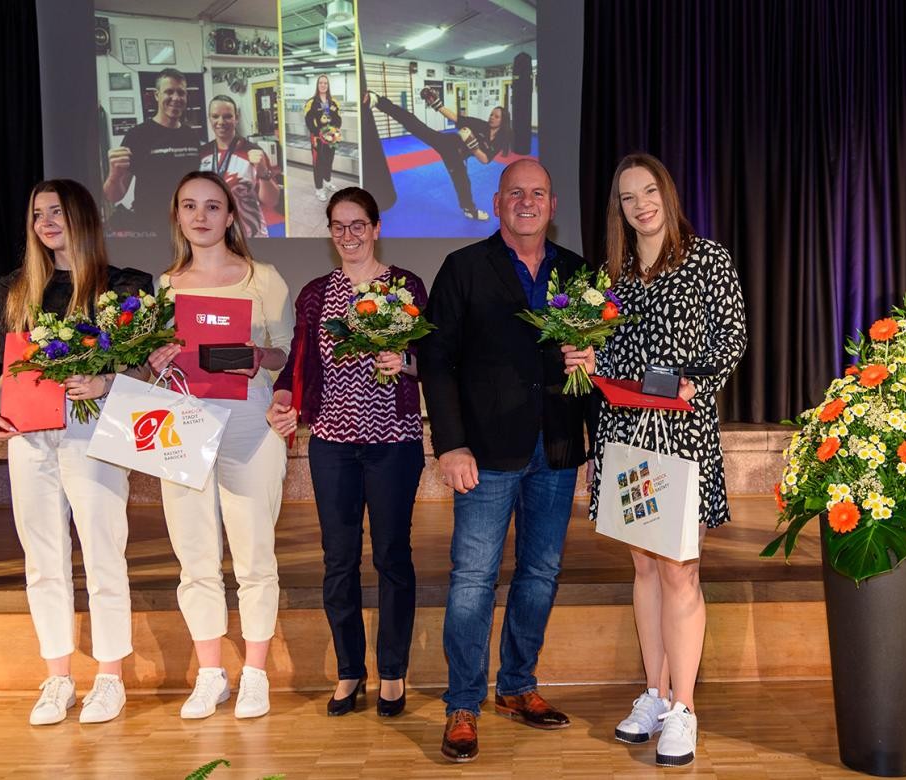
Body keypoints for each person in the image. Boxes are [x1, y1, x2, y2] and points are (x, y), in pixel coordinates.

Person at [418, 159, 591, 763]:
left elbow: (591, 362)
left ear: (551, 203)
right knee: (472, 580)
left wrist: (589, 431)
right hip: (485, 453)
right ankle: (463, 703)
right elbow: (437, 363)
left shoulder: (577, 270)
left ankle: (517, 687)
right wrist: (450, 444)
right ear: (497, 204)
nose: (526, 201)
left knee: (540, 574)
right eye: (515, 192)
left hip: (560, 447)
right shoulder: (463, 268)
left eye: (537, 192)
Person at [588, 153, 747, 767]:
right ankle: (653, 694)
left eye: (648, 191)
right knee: (645, 571)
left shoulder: (708, 259)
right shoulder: (614, 276)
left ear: (667, 194)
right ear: (619, 210)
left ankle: (683, 708)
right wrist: (585, 359)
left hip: (678, 434)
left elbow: (730, 342)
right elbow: (606, 354)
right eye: (627, 197)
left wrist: (687, 381)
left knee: (680, 571)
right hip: (624, 435)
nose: (640, 205)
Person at [0, 179, 153, 725]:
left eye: (57, 212)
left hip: (94, 433)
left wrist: (105, 382)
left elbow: (147, 367)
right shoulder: (14, 289)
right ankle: (56, 679)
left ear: (83, 217)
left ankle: (109, 678)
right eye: (37, 214)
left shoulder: (124, 286)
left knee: (103, 554)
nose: (46, 222)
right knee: (42, 560)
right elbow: (10, 370)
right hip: (30, 436)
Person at [267, 187, 426, 717]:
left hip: (394, 442)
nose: (349, 236)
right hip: (331, 443)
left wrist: (400, 360)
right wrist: (283, 397)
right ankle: (350, 670)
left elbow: (429, 358)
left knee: (391, 557)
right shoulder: (315, 293)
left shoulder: (406, 286)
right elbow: (298, 360)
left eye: (358, 225)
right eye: (339, 226)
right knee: (338, 561)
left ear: (377, 228)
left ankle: (393, 671)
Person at [146, 171, 294, 720]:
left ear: (231, 216)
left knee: (255, 553)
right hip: (181, 420)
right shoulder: (163, 287)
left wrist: (259, 355)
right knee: (195, 554)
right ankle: (212, 673)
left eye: (213, 206)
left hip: (249, 422)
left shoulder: (264, 278)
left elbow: (284, 355)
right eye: (190, 206)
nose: (201, 216)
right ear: (178, 216)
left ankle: (255, 673)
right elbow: (153, 361)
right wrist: (155, 359)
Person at [364, 88, 511, 222]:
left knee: (463, 183)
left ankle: (470, 210)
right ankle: (379, 101)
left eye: (496, 116)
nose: (492, 117)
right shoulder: (480, 125)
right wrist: (437, 105)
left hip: (457, 157)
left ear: (502, 121)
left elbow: (484, 160)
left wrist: (473, 145)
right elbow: (455, 118)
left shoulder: (500, 140)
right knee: (414, 124)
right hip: (447, 143)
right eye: (491, 114)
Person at [103, 68, 203, 236]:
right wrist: (114, 175)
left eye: (181, 93)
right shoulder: (137, 135)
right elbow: (114, 197)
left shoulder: (191, 135)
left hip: (186, 227)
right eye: (169, 92)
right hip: (150, 230)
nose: (176, 98)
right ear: (157, 95)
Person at [199, 94, 280, 238]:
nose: (221, 121)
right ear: (209, 118)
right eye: (215, 116)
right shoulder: (202, 154)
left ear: (236, 118)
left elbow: (272, 201)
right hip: (215, 236)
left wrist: (263, 171)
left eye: (227, 116)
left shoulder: (253, 152)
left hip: (250, 235)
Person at [304, 75, 342, 203]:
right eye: (321, 83)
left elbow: (339, 119)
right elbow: (309, 122)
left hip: (331, 138)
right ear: (317, 85)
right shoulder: (311, 103)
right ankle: (319, 189)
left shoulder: (334, 102)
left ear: (328, 85)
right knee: (318, 163)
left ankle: (327, 181)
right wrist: (319, 133)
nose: (323, 85)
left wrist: (334, 130)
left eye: (325, 83)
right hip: (317, 138)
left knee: (329, 160)